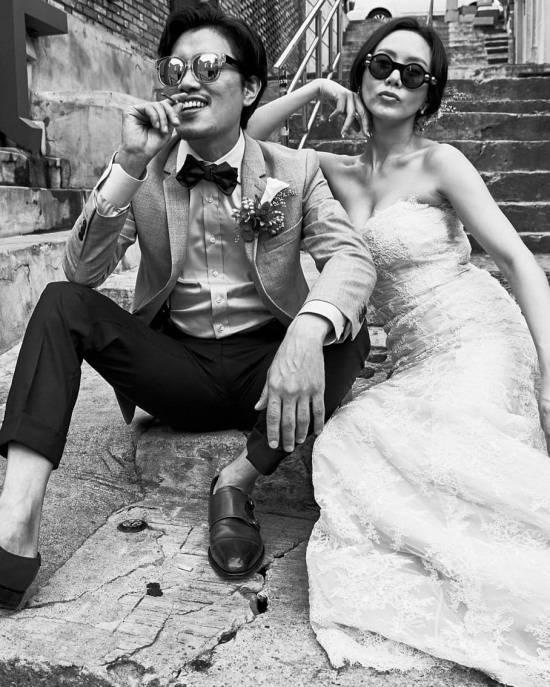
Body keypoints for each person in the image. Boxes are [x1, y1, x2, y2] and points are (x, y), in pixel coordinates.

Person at [0, 5, 376, 609]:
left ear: (249, 88)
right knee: (61, 302)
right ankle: (17, 520)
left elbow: (352, 259)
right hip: (177, 368)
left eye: (207, 66)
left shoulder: (295, 169)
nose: (187, 82)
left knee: (349, 330)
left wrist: (306, 333)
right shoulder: (145, 172)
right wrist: (128, 164)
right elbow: (83, 272)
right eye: (174, 70)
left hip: (267, 370)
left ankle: (237, 482)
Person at [247, 16, 550, 687]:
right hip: (413, 359)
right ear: (361, 73)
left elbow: (518, 262)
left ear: (428, 95)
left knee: (458, 449)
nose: (394, 80)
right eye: (382, 64)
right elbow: (248, 140)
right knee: (346, 438)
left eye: (414, 74)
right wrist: (313, 89)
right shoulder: (331, 170)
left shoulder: (441, 163)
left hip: (481, 338)